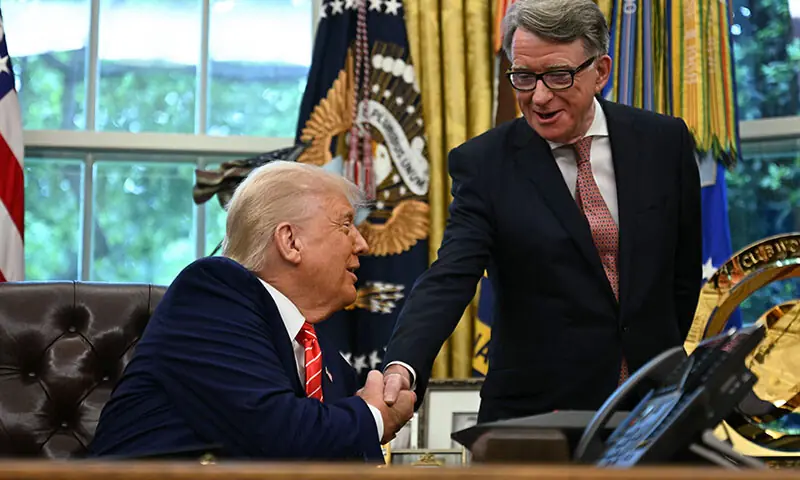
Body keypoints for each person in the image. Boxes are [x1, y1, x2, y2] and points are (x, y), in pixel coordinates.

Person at [381, 0, 701, 424]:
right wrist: (404, 364)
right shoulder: (485, 163)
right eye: (524, 77)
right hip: (537, 415)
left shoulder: (663, 142)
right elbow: (450, 276)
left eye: (558, 75)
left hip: (653, 407)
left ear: (600, 72)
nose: (539, 96)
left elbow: (682, 276)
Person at [89, 161, 415, 461]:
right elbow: (276, 434)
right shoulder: (211, 295)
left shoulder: (330, 364)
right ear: (290, 241)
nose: (362, 244)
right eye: (346, 225)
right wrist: (375, 414)